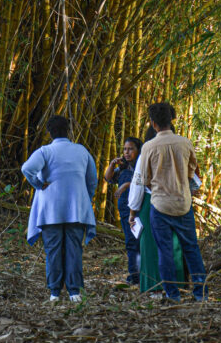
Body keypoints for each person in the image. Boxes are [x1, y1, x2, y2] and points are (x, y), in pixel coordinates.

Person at [129, 103, 207, 302]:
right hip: (183, 204)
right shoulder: (185, 142)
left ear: (153, 124)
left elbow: (143, 178)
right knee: (191, 248)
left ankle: (173, 295)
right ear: (170, 121)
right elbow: (192, 171)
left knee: (164, 251)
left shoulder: (148, 147)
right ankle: (201, 293)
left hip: (160, 205)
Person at [21, 115, 97, 303]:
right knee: (74, 249)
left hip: (50, 210)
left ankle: (54, 292)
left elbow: (27, 169)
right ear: (68, 130)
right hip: (76, 209)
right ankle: (74, 292)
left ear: (49, 132)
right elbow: (92, 179)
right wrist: (85, 197)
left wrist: (39, 184)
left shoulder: (45, 151)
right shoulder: (81, 151)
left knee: (53, 250)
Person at [131, 125, 187, 297]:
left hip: (152, 201)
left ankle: (155, 285)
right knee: (173, 243)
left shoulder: (147, 151)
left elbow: (138, 183)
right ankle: (176, 284)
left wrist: (133, 211)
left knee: (151, 245)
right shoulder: (179, 149)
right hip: (176, 200)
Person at [103, 136, 143, 285]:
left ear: (138, 150)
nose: (127, 152)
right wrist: (112, 164)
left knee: (138, 242)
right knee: (131, 242)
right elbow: (108, 178)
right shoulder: (124, 167)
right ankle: (134, 274)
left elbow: (144, 182)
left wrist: (126, 184)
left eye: (131, 149)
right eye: (125, 149)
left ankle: (137, 275)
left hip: (139, 208)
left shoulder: (142, 165)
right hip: (126, 210)